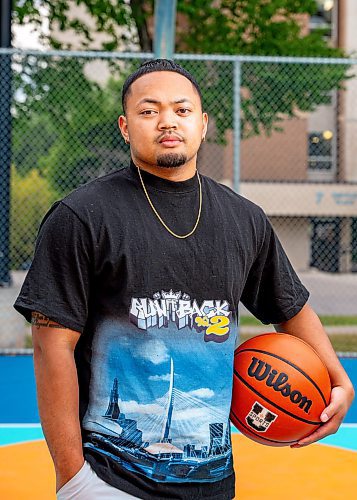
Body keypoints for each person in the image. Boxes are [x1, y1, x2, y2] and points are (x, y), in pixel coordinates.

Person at [14, 59, 354, 500]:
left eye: (182, 109)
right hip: (108, 480)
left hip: (213, 482)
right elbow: (51, 345)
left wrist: (339, 380)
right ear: (124, 125)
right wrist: (74, 476)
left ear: (203, 123)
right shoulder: (81, 216)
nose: (167, 121)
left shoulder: (243, 219)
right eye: (148, 110)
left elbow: (289, 306)